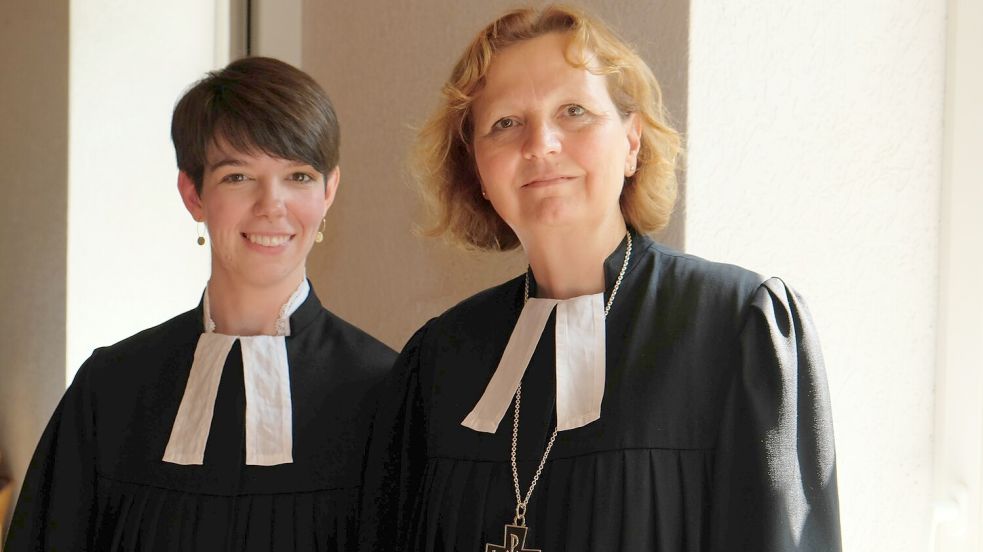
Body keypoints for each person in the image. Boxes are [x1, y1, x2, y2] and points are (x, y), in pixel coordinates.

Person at [360, 5, 841, 551]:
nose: (540, 143)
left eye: (574, 111)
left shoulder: (735, 329)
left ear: (632, 143)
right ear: (478, 170)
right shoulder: (441, 360)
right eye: (506, 123)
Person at [6, 57, 395, 550]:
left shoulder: (386, 392)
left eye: (297, 176)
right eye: (238, 177)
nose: (271, 205)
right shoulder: (110, 389)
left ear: (329, 191)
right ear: (193, 194)